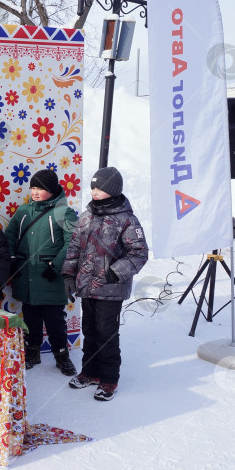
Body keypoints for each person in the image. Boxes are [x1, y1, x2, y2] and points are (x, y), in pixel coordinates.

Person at [61, 166, 149, 402]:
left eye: (99, 187)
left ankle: (109, 380)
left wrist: (115, 272)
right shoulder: (86, 216)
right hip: (86, 287)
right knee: (89, 331)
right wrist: (69, 275)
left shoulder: (127, 220)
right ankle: (90, 373)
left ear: (112, 189)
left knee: (106, 333)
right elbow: (74, 249)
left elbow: (139, 253)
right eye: (92, 187)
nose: (94, 191)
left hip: (110, 289)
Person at [5, 169, 78, 375]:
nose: (35, 192)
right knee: (30, 319)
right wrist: (12, 259)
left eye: (41, 188)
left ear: (52, 190)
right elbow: (9, 236)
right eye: (33, 187)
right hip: (27, 277)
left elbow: (73, 242)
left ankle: (62, 355)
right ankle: (32, 352)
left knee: (55, 321)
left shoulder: (64, 212)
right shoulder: (23, 211)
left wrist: (55, 266)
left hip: (51, 278)